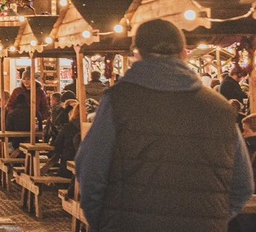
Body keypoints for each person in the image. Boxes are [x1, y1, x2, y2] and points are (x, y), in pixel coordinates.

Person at [76, 19, 254, 231]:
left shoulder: (118, 102)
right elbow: (242, 187)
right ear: (184, 53)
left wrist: (104, 223)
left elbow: (91, 173)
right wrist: (211, 219)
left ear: (137, 54)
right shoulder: (220, 109)